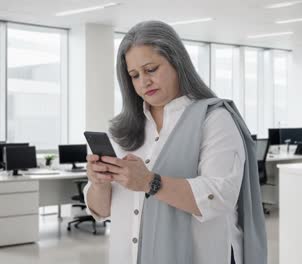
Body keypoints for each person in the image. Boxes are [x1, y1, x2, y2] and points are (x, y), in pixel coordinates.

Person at [83, 20, 266, 264]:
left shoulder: (214, 120)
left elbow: (219, 197)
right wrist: (99, 184)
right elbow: (102, 211)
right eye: (134, 75)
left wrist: (150, 182)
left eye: (151, 69)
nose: (143, 82)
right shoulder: (124, 131)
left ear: (177, 62)